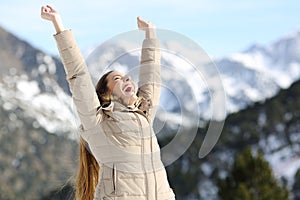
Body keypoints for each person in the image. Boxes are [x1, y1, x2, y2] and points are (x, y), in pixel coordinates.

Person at [41, 5, 176, 200]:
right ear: (106, 94)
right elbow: (78, 76)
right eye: (116, 79)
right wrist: (58, 24)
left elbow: (152, 77)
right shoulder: (98, 122)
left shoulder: (144, 114)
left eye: (126, 77)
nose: (126, 79)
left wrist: (150, 34)